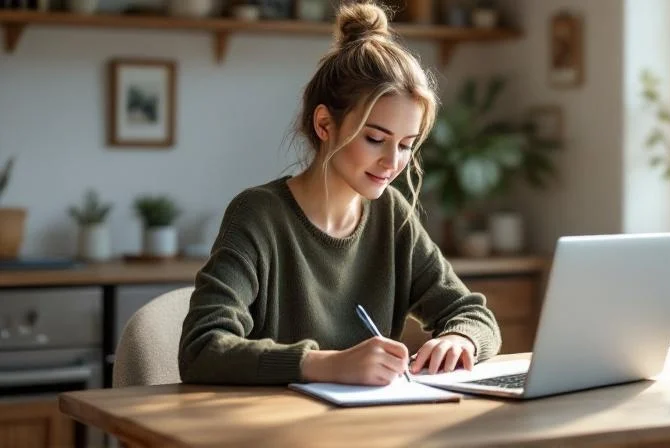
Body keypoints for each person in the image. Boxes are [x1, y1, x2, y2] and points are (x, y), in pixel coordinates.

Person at [178, 1, 501, 387]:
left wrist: (459, 338)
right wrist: (326, 364)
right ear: (324, 124)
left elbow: (472, 314)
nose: (392, 162)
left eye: (406, 145)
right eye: (375, 139)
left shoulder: (391, 216)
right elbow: (201, 348)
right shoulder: (258, 215)